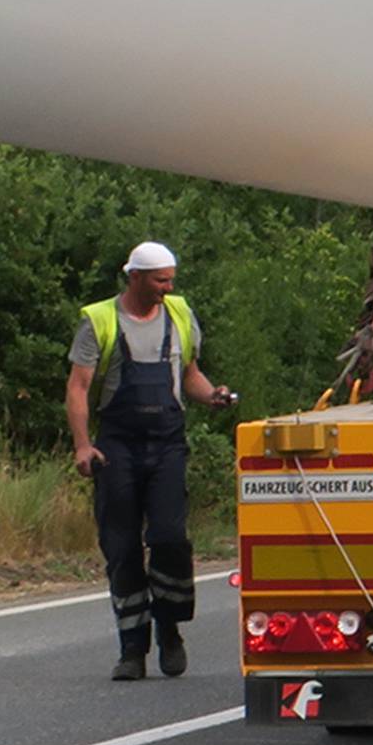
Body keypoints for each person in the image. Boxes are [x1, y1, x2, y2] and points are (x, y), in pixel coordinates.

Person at [67, 241, 233, 680]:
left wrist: (211, 395)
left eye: (171, 279)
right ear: (135, 277)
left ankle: (170, 628)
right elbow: (79, 387)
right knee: (121, 547)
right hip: (117, 446)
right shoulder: (99, 320)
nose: (168, 287)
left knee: (168, 537)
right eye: (160, 280)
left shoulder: (179, 313)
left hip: (167, 444)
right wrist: (83, 445)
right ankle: (131, 650)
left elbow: (190, 373)